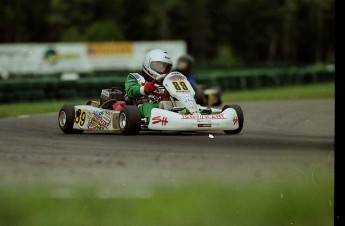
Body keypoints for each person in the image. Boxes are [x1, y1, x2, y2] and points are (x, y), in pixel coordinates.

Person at [125, 49, 173, 121]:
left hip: (164, 106)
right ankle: (158, 121)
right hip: (140, 108)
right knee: (150, 107)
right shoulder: (135, 77)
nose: (163, 69)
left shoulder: (168, 82)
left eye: (166, 67)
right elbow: (130, 91)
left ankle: (191, 118)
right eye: (158, 65)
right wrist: (144, 89)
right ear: (148, 63)